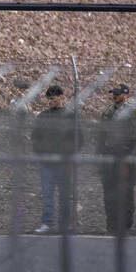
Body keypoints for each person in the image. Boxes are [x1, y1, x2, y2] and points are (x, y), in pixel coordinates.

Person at [95, 83, 136, 235]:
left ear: (125, 95)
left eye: (117, 93)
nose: (113, 95)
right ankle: (111, 224)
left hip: (125, 157)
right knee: (108, 189)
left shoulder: (132, 112)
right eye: (112, 93)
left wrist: (132, 155)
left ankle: (126, 225)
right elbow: (101, 135)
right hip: (110, 157)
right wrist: (99, 152)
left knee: (125, 191)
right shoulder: (108, 112)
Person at [31, 85, 76, 234]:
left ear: (61, 97)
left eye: (53, 98)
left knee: (64, 194)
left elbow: (78, 138)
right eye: (49, 99)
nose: (50, 101)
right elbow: (35, 138)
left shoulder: (70, 116)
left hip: (64, 162)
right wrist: (41, 154)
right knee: (47, 194)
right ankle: (47, 222)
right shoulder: (43, 116)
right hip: (47, 163)